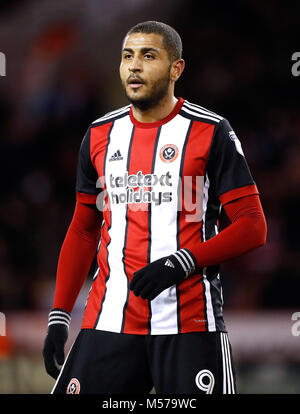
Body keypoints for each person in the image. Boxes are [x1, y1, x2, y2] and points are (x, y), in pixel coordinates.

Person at [42, 20, 267, 394]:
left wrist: (183, 261)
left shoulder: (211, 131)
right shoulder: (100, 134)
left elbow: (253, 226)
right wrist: (59, 316)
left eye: (148, 56)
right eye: (127, 56)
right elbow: (84, 229)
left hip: (190, 324)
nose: (134, 66)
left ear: (176, 68)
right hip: (109, 321)